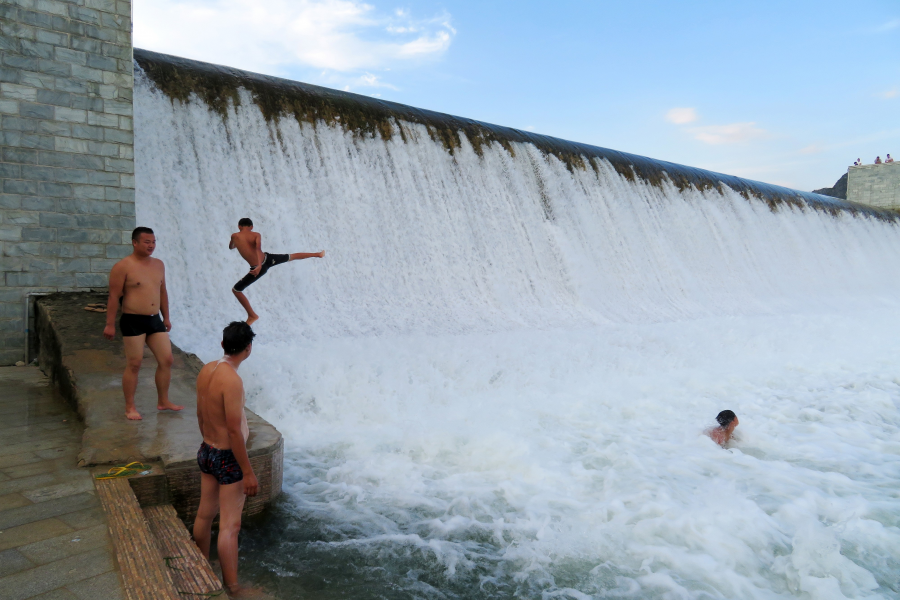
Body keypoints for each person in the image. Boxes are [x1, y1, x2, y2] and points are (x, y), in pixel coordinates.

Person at [193, 321, 259, 596]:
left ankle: (199, 569)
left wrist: (208, 443)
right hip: (227, 457)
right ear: (248, 349)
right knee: (230, 526)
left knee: (205, 515)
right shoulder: (232, 380)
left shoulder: (207, 369)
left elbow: (200, 413)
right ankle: (233, 587)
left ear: (222, 344)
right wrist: (248, 472)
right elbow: (233, 429)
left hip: (207, 450)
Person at [103, 227, 184, 420]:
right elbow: (114, 297)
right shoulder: (123, 266)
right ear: (135, 242)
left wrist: (166, 317)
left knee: (167, 360)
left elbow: (162, 292)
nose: (151, 245)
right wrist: (109, 324)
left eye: (154, 242)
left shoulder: (159, 265)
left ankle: (163, 400)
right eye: (147, 242)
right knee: (134, 363)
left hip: (154, 319)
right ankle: (130, 407)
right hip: (133, 320)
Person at [229, 218, 325, 325]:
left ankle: (252, 315)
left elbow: (231, 247)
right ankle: (317, 254)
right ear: (252, 227)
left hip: (257, 268)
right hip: (268, 259)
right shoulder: (256, 234)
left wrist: (259, 266)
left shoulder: (234, 236)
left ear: (239, 226)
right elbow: (258, 248)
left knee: (236, 290)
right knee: (291, 256)